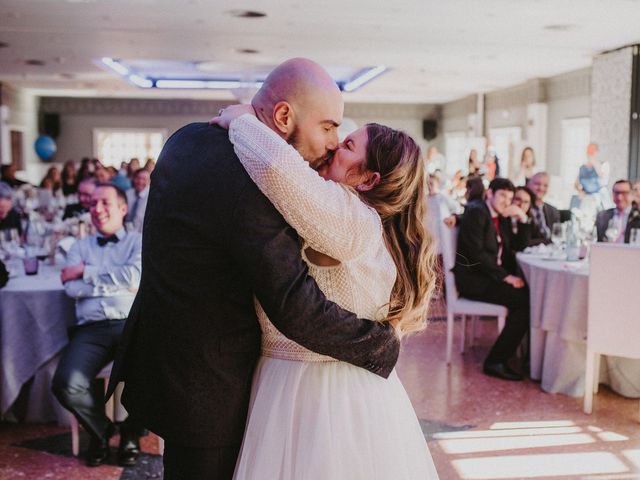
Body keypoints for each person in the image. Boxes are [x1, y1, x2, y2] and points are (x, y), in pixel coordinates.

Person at [109, 58, 402, 480]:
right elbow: (294, 305)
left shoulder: (187, 139)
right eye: (327, 127)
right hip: (213, 388)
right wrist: (378, 345)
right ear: (283, 117)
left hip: (166, 360)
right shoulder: (256, 183)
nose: (335, 143)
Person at [212, 99, 438, 478]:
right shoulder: (357, 217)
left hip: (321, 392)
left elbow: (278, 171)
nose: (335, 146)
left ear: (367, 180)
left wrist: (243, 121)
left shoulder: (351, 216)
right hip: (309, 379)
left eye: (348, 146)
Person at [52, 183, 143, 467]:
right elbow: (71, 290)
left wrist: (86, 272)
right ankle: (102, 430)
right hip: (91, 329)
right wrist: (114, 285)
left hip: (132, 323)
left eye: (105, 203)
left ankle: (131, 433)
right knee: (66, 383)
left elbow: (135, 277)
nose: (97, 209)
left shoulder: (137, 241)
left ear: (122, 208)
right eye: (92, 204)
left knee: (154, 371)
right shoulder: (78, 245)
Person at [453, 178, 531, 381]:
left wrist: (522, 218)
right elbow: (477, 255)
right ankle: (495, 361)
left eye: (510, 197)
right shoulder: (478, 212)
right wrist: (506, 277)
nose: (507, 201)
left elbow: (518, 248)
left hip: (488, 277)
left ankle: (516, 354)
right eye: (502, 195)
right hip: (474, 281)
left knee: (526, 296)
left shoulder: (500, 216)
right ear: (489, 193)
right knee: (524, 301)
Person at [527, 172, 560, 243]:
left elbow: (557, 237)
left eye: (545, 186)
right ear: (528, 184)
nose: (541, 188)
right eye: (537, 184)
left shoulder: (553, 211)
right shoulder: (521, 207)